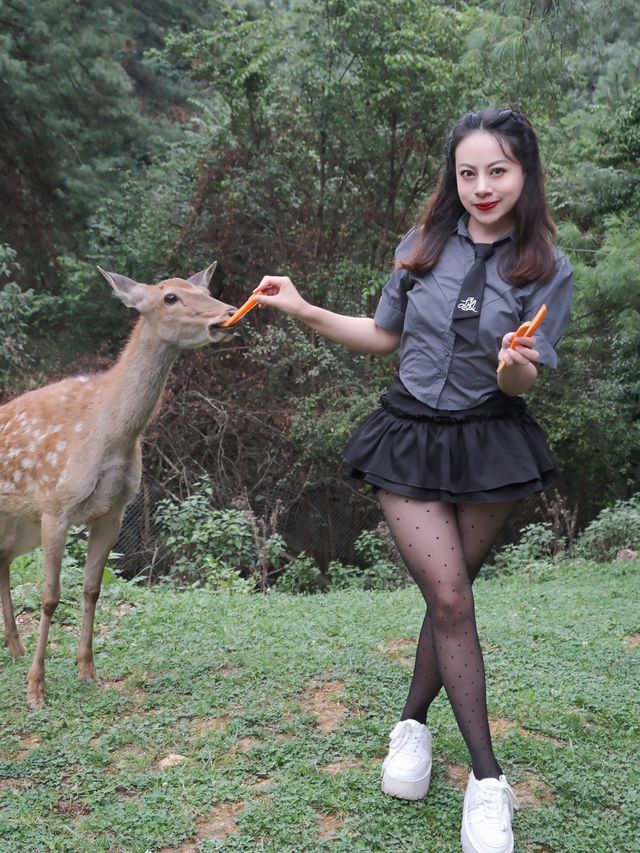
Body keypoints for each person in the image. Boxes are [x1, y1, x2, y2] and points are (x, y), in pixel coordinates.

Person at [253, 107, 573, 853]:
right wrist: (301, 307)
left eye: (498, 170)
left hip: (491, 440)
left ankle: (412, 728)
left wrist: (512, 365)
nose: (482, 186)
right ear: (452, 175)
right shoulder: (420, 245)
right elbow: (383, 335)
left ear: (524, 173)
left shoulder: (546, 266)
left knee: (446, 596)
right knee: (452, 594)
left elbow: (525, 378)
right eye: (468, 172)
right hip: (408, 438)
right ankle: (488, 783)